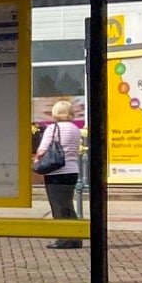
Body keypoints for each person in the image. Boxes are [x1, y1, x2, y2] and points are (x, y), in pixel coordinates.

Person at [36, 98, 83, 249]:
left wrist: (37, 160)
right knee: (68, 205)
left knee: (58, 207)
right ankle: (76, 237)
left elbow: (42, 150)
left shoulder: (52, 129)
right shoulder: (75, 129)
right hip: (72, 170)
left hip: (56, 173)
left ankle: (64, 239)